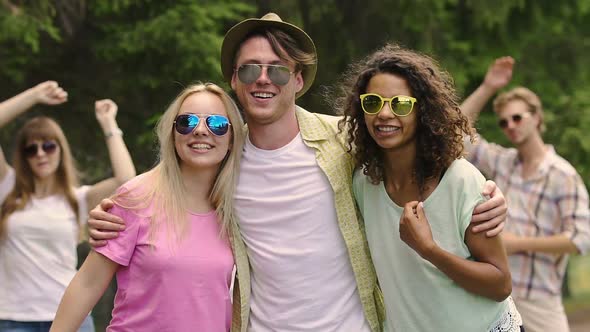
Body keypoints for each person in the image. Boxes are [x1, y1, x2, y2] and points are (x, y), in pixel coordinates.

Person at [86, 13, 509, 332]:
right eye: (250, 69)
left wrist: (487, 193)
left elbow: (418, 146)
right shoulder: (221, 157)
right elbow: (165, 189)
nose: (263, 79)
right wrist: (111, 214)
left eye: (278, 69)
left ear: (299, 79)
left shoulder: (345, 142)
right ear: (234, 79)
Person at [339, 43, 523, 332]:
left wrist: (428, 249)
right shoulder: (362, 184)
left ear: (422, 112)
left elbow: (500, 284)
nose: (384, 114)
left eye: (399, 104)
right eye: (372, 103)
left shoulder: (460, 180)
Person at [49, 83, 245, 331]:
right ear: (173, 135)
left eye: (216, 124)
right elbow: (87, 284)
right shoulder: (136, 197)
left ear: (231, 139)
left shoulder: (239, 208)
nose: (200, 131)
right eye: (187, 122)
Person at [460, 56, 590, 332]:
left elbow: (581, 238)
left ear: (538, 117)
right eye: (504, 122)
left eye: (517, 117)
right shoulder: (502, 162)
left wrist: (518, 243)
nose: (511, 126)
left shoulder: (562, 175)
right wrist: (488, 86)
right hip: (498, 295)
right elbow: (457, 136)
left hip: (540, 300)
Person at [0, 81, 136, 332]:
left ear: (61, 150)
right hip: (13, 318)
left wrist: (109, 124)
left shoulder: (78, 199)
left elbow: (127, 180)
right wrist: (34, 95)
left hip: (69, 315)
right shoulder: (6, 188)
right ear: (23, 155)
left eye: (49, 146)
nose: (41, 154)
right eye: (31, 148)